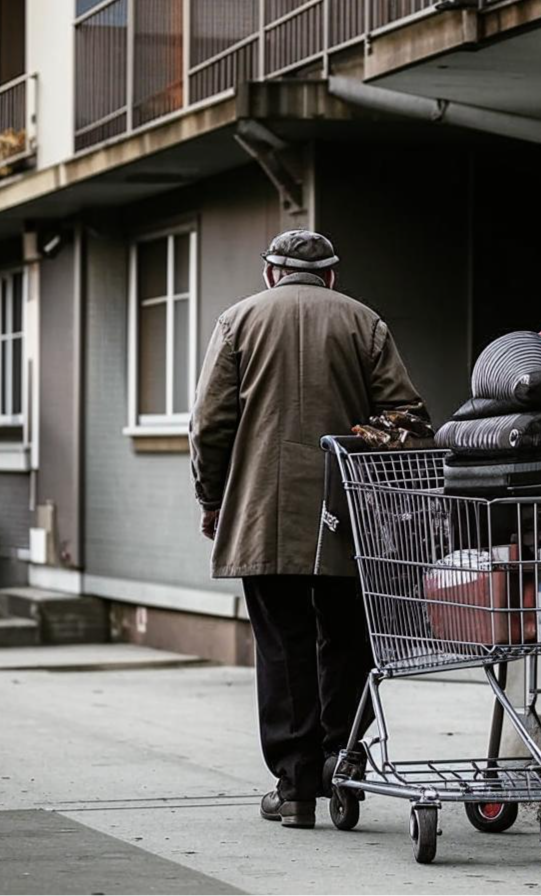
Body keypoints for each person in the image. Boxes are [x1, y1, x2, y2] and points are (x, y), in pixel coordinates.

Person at [189, 229, 427, 829]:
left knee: (282, 644)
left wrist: (213, 497)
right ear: (331, 276)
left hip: (263, 514)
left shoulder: (238, 321)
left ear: (270, 273)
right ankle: (338, 761)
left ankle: (294, 787)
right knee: (347, 639)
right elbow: (407, 416)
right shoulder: (364, 322)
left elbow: (209, 423)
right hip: (345, 513)